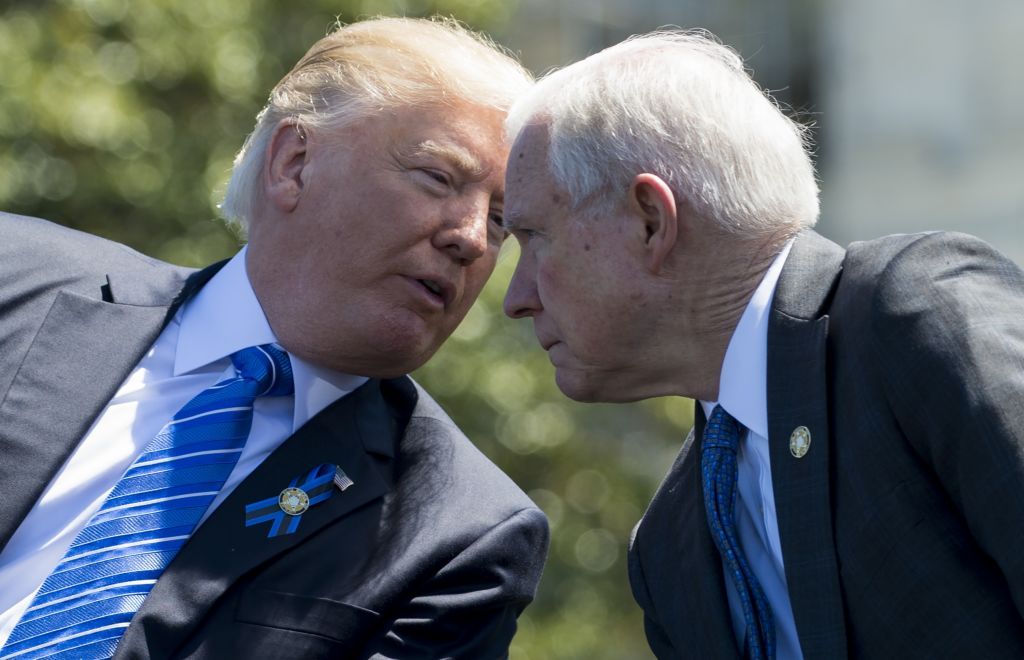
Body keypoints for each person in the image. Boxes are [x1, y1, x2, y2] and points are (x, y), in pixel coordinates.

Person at [0, 17, 548, 659]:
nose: (473, 238)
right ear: (294, 162)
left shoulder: (460, 535)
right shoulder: (16, 277)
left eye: (503, 219)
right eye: (438, 177)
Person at [500, 29, 1024, 659]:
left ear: (650, 221)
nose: (516, 297)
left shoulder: (915, 312)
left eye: (533, 237)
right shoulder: (669, 548)